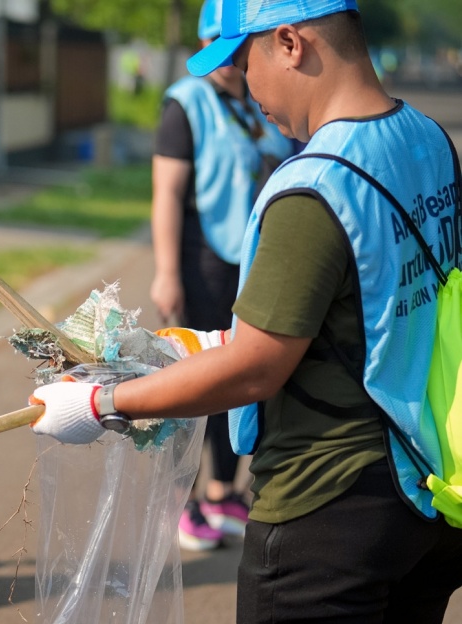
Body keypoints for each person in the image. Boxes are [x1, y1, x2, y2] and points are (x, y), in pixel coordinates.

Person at [28, 1, 462, 624]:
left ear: (289, 43)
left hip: (327, 510)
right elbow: (375, 302)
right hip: (426, 495)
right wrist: (211, 343)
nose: (241, 85)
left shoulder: (316, 186)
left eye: (240, 60)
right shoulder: (425, 138)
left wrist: (102, 401)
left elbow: (258, 368)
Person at [149, 0, 293, 551]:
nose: (229, 64)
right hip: (202, 260)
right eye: (219, 51)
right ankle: (184, 499)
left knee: (246, 377)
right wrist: (166, 272)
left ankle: (222, 490)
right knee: (205, 376)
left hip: (255, 261)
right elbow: (166, 194)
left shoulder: (263, 105)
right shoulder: (186, 104)